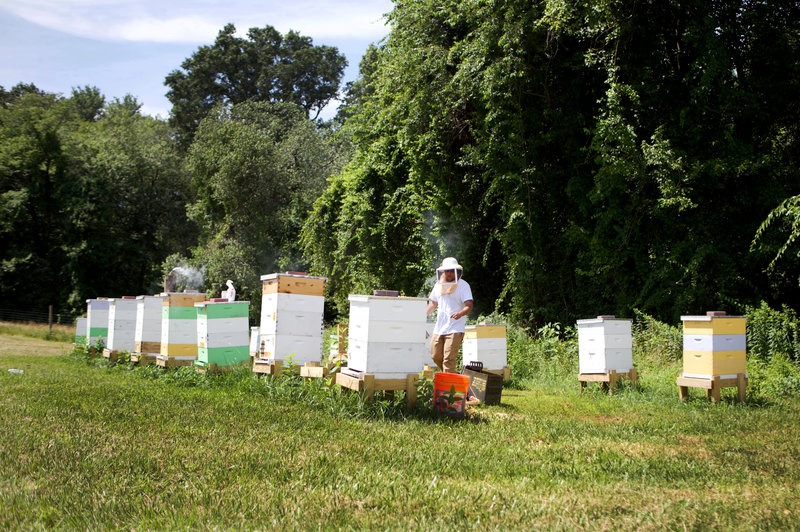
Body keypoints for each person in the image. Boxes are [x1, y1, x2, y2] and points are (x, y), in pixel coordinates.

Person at [427, 257, 473, 373]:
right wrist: (423, 316)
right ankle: (454, 376)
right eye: (447, 271)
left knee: (448, 360)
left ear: (457, 271)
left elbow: (469, 305)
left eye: (452, 271)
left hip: (455, 327)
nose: (449, 273)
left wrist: (460, 313)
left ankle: (450, 389)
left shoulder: (463, 285)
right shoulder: (438, 285)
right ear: (443, 272)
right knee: (435, 355)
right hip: (440, 327)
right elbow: (433, 303)